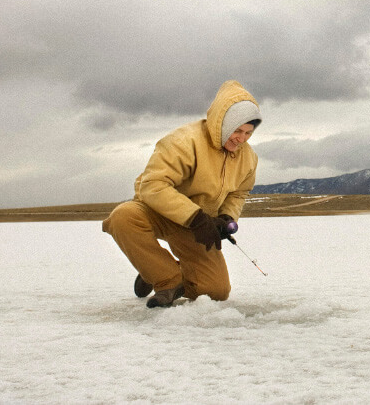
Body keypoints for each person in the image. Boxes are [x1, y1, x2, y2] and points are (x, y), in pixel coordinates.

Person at [103, 80, 261, 307]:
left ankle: (153, 269)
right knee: (123, 217)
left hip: (197, 225)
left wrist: (226, 218)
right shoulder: (184, 141)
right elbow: (153, 185)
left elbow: (238, 193)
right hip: (160, 211)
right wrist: (196, 218)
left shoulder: (248, 158)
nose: (241, 138)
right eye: (237, 130)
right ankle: (166, 278)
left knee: (216, 291)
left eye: (248, 132)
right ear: (222, 123)